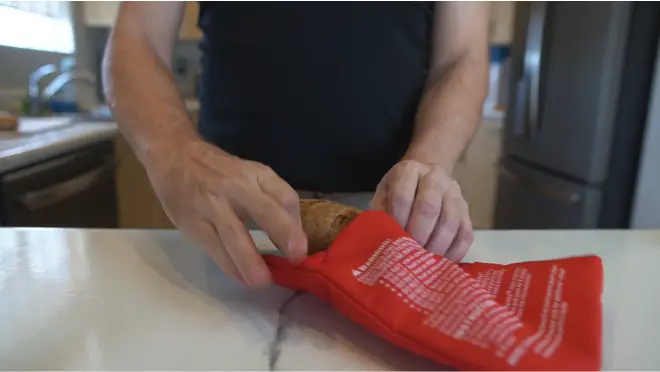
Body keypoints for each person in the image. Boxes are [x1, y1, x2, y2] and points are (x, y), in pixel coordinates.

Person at [103, 2, 490, 287]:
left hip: (390, 216)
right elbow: (139, 36)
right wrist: (175, 153)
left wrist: (428, 165)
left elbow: (462, 56)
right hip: (230, 214)